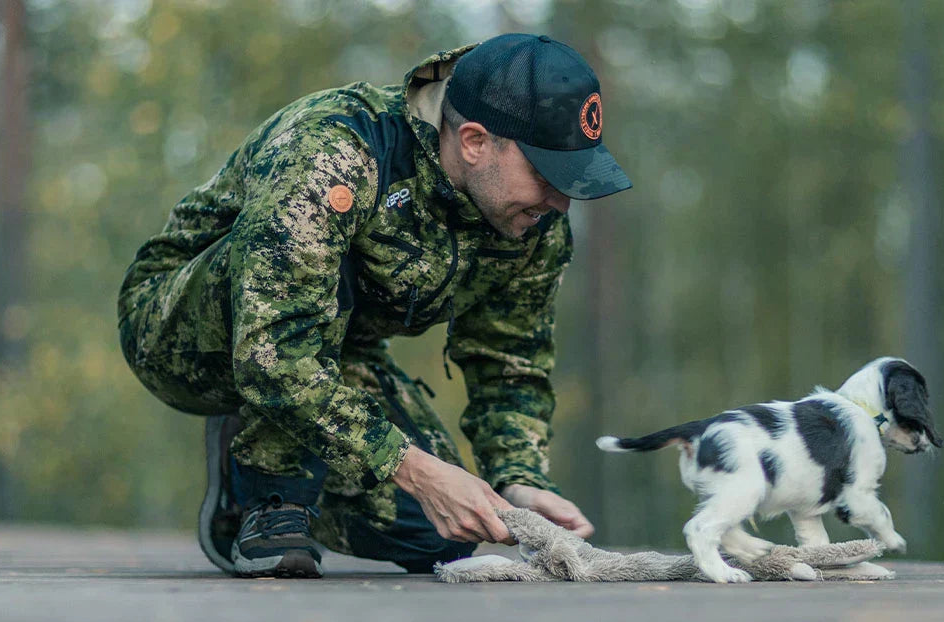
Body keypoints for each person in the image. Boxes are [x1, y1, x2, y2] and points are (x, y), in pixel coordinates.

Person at [116, 33, 631, 578]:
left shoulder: (529, 218)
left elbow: (510, 356)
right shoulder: (337, 151)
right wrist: (415, 469)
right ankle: (271, 495)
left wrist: (519, 477)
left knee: (441, 536)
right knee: (312, 291)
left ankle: (258, 481)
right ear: (476, 141)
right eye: (547, 176)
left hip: (333, 353)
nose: (560, 201)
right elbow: (274, 347)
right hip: (183, 330)